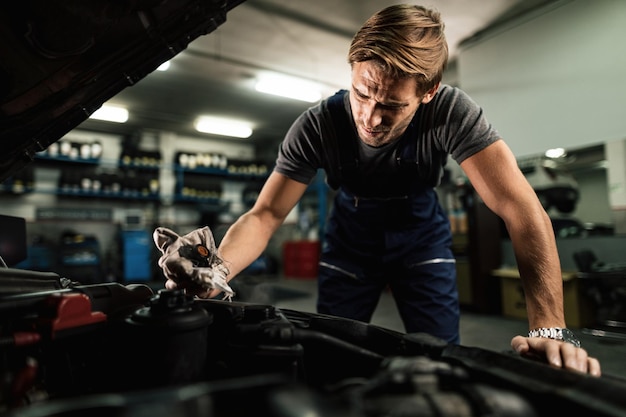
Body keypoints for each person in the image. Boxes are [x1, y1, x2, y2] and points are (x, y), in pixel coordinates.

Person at [165, 4, 601, 376]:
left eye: (392, 105)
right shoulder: (318, 125)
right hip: (350, 242)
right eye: (361, 94)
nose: (371, 118)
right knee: (326, 352)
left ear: (428, 92)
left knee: (438, 357)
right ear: (352, 73)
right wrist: (218, 269)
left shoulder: (453, 112)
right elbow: (266, 214)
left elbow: (520, 209)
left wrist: (549, 331)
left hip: (422, 239)